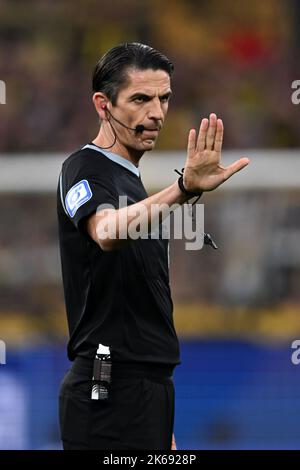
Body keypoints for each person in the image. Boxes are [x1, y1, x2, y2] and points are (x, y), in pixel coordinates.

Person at [57, 42, 249, 451]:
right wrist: (182, 189)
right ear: (103, 105)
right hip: (107, 383)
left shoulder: (132, 183)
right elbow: (105, 231)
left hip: (147, 386)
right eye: (141, 99)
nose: (157, 113)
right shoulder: (84, 167)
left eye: (164, 98)